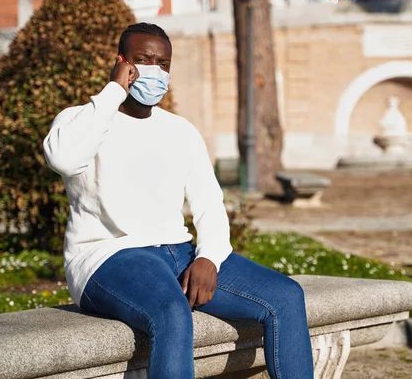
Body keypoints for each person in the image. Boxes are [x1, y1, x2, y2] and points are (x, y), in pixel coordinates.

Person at [43, 22, 313, 378]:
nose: (155, 71)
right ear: (123, 62)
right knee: (172, 312)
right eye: (144, 60)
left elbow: (209, 204)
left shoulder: (180, 130)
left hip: (177, 251)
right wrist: (112, 91)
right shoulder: (84, 119)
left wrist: (209, 258)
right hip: (107, 256)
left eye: (164, 64)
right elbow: (62, 159)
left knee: (286, 297)